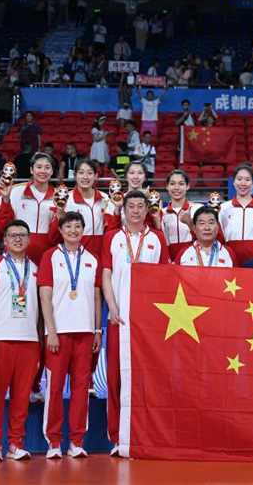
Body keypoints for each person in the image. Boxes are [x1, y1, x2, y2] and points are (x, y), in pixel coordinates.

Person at [101, 191, 169, 455]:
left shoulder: (158, 238)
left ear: (147, 210)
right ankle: (117, 436)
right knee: (116, 378)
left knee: (146, 378)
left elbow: (164, 278)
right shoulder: (112, 237)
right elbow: (106, 275)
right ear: (124, 210)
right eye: (131, 206)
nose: (136, 211)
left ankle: (145, 434)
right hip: (119, 318)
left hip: (147, 321)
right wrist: (112, 306)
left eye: (141, 206)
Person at [38, 211, 102, 459]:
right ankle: (54, 441)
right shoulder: (50, 256)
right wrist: (51, 331)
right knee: (54, 389)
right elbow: (45, 296)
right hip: (59, 333)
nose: (73, 230)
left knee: (80, 389)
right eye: (68, 226)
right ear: (61, 231)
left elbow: (96, 298)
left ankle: (76, 440)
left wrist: (97, 330)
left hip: (85, 332)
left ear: (83, 230)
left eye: (77, 226)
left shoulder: (92, 259)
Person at [0, 220, 40, 462]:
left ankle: (15, 443)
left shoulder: (36, 269)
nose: (17, 239)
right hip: (1, 339)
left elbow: (42, 309)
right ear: (4, 240)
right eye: (12, 235)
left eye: (22, 235)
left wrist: (40, 340)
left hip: (29, 341)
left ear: (29, 239)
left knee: (21, 397)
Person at [219, 164, 253, 266]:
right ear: (233, 182)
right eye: (239, 179)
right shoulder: (223, 208)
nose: (243, 183)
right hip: (229, 259)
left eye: (247, 180)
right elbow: (219, 237)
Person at [52, 160, 108, 257]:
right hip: (74, 256)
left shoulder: (104, 199)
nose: (85, 177)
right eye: (81, 173)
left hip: (100, 256)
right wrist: (60, 212)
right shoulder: (66, 199)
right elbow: (53, 238)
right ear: (75, 175)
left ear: (96, 175)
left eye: (89, 173)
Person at [154, 169, 200, 258]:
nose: (176, 187)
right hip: (169, 261)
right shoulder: (161, 213)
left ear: (188, 186)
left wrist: (190, 223)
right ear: (167, 186)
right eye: (172, 184)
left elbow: (205, 238)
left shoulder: (197, 209)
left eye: (181, 184)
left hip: (193, 260)